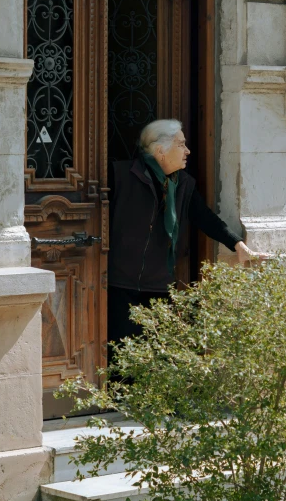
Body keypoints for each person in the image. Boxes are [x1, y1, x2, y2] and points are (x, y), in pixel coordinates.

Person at [108, 118, 258, 344]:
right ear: (161, 151)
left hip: (159, 284)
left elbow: (204, 217)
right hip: (120, 283)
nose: (187, 151)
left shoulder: (183, 185)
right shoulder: (120, 176)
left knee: (156, 354)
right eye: (181, 144)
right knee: (122, 356)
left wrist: (237, 244)